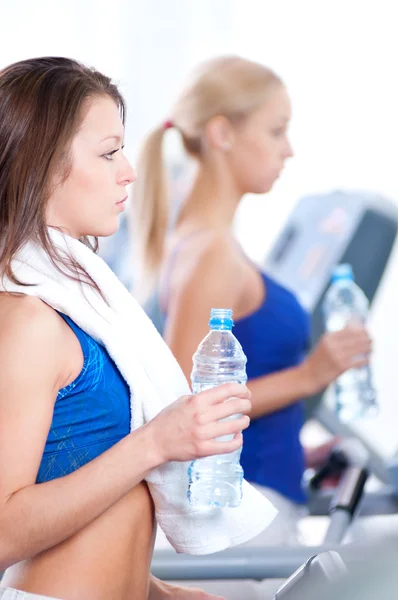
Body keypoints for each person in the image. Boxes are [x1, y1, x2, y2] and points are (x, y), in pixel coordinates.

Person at [0, 57, 256, 600]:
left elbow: (99, 511)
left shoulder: (78, 305)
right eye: (108, 151)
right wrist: (156, 442)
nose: (129, 171)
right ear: (41, 164)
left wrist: (161, 593)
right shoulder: (25, 320)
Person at [131, 55, 372, 544]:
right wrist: (311, 375)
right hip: (238, 514)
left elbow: (240, 387)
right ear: (222, 134)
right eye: (277, 131)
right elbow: (183, 406)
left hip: (259, 494)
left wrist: (294, 452)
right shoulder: (211, 251)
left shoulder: (213, 241)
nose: (289, 151)